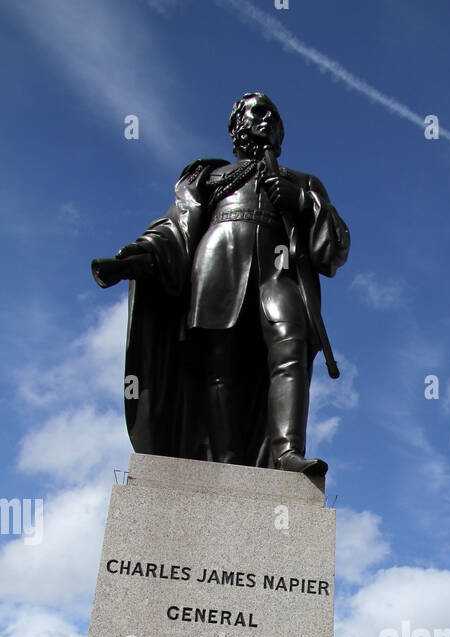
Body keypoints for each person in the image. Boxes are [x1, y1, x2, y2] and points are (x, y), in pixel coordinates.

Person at [92, 92, 350, 475]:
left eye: (275, 117)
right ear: (237, 125)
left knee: (290, 343)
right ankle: (226, 464)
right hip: (219, 259)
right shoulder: (209, 177)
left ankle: (287, 452)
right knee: (219, 361)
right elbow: (176, 226)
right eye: (259, 113)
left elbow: (334, 248)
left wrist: (302, 203)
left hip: (279, 268)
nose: (268, 122)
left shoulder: (303, 182)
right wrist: (140, 255)